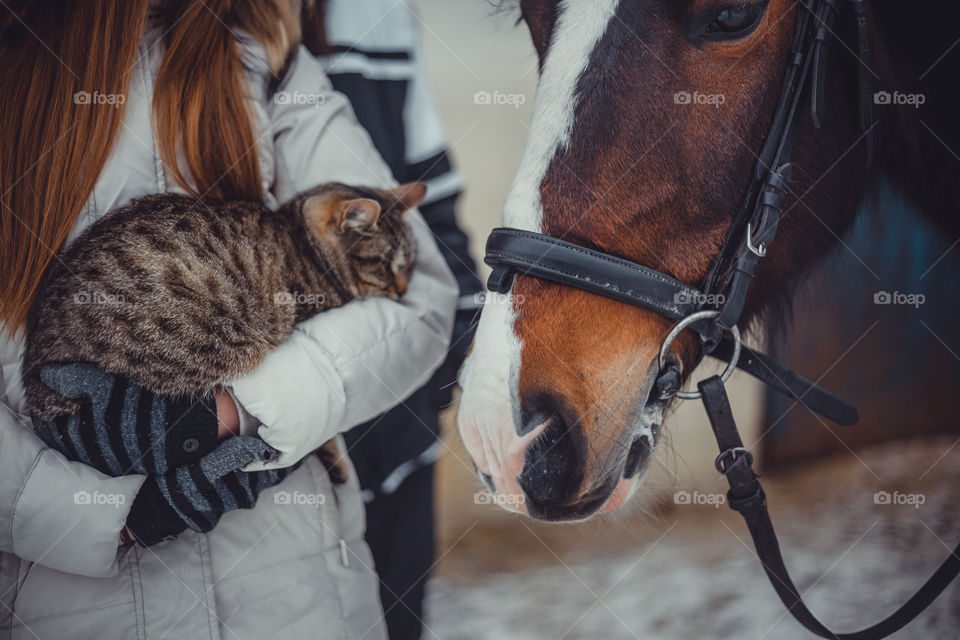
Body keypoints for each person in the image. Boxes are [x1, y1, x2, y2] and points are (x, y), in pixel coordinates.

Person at [0, 1, 457, 638]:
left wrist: (236, 413)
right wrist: (116, 517)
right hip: (79, 606)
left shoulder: (258, 48)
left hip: (299, 597)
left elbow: (424, 302)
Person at [303, 1, 482, 638]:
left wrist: (452, 353)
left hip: (401, 425)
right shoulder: (203, 30)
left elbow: (432, 195)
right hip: (281, 450)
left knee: (397, 619)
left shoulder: (381, 13)